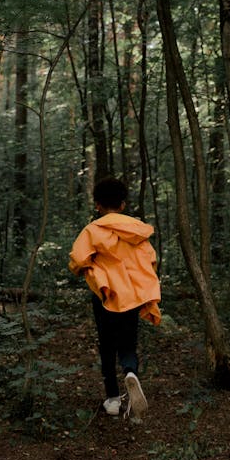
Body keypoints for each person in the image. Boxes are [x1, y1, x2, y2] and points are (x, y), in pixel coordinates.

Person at [68, 177, 161, 419]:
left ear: (97, 205)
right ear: (122, 205)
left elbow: (78, 259)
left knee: (106, 345)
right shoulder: (137, 231)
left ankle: (112, 399)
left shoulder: (92, 230)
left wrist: (87, 269)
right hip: (131, 295)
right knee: (128, 343)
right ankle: (130, 371)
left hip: (105, 295)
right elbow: (150, 260)